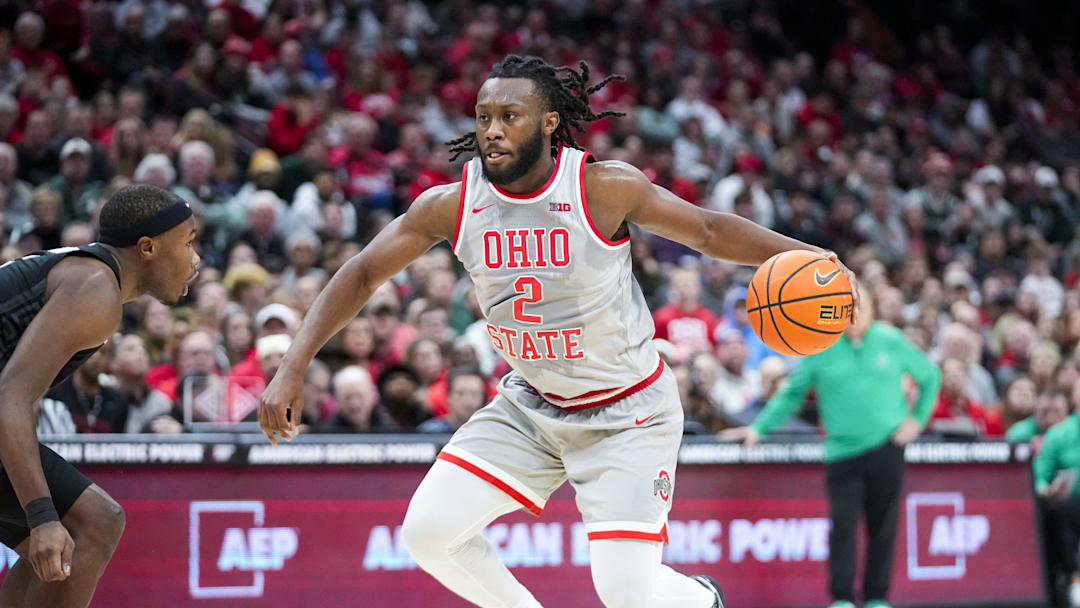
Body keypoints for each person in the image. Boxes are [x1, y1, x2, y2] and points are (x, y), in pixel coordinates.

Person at [260, 55, 857, 608]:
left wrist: (814, 256)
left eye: (509, 116)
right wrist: (292, 366)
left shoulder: (602, 186)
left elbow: (706, 230)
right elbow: (362, 272)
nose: (491, 130)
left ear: (549, 122)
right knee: (428, 533)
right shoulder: (451, 203)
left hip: (628, 412)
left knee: (625, 591)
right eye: (484, 117)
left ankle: (702, 601)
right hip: (533, 403)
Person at [0, 183, 198, 606]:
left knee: (64, 544)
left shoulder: (85, 275)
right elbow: (11, 397)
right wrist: (41, 515)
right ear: (148, 247)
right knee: (93, 524)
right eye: (188, 242)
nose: (196, 260)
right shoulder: (96, 291)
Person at [724, 286, 939, 608]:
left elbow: (930, 377)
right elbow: (791, 393)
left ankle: (877, 599)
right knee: (843, 527)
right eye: (847, 307)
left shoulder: (890, 339)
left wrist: (917, 421)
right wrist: (759, 428)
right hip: (841, 452)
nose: (854, 313)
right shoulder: (820, 345)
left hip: (887, 447)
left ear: (871, 309)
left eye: (860, 305)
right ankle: (842, 599)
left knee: (884, 526)